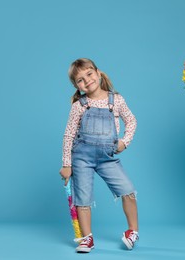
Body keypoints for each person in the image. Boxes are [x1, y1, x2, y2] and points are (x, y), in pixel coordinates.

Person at [60, 58, 139, 253]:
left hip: (107, 158)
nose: (86, 81)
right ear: (76, 86)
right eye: (80, 80)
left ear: (98, 73)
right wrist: (67, 164)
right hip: (82, 158)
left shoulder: (116, 100)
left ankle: (133, 231)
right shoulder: (79, 105)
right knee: (83, 198)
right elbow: (69, 134)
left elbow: (132, 121)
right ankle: (87, 238)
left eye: (89, 74)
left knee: (127, 191)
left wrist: (124, 142)